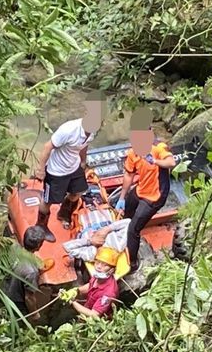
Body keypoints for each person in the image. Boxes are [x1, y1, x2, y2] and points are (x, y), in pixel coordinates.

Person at [34, 91, 107, 242]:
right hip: (56, 171)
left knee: (79, 191)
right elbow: (48, 146)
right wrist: (41, 170)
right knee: (48, 200)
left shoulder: (93, 131)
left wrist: (83, 162)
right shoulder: (69, 129)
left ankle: (63, 213)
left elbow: (84, 145)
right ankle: (41, 227)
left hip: (73, 166)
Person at [115, 107, 176, 273]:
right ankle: (122, 239)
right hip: (141, 189)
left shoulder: (159, 147)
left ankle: (133, 263)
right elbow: (129, 174)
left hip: (155, 197)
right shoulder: (133, 151)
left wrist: (154, 161)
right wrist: (122, 197)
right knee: (127, 213)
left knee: (133, 229)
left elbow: (171, 163)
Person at [2, 226, 53, 318]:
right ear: (38, 246)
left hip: (3, 288)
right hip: (15, 301)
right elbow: (29, 297)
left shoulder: (14, 247)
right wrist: (34, 314)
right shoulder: (31, 272)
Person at [68, 247, 120, 319]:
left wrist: (73, 302)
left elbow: (94, 315)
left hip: (98, 321)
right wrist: (76, 290)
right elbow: (91, 285)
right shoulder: (100, 276)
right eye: (98, 262)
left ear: (111, 270)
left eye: (104, 265)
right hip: (88, 306)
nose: (99, 267)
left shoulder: (109, 293)